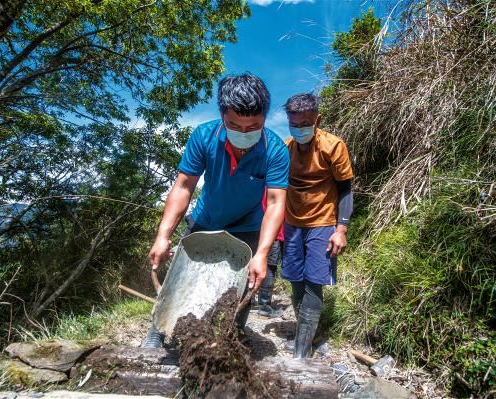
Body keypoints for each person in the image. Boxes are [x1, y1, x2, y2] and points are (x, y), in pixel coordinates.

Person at [143, 73, 290, 348]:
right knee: (181, 278)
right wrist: (163, 236)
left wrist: (262, 253)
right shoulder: (204, 136)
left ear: (265, 119)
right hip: (205, 220)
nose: (244, 133)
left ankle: (226, 340)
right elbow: (184, 187)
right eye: (235, 125)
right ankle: (158, 333)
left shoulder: (276, 150)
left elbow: (275, 203)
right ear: (223, 115)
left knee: (242, 289)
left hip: (247, 228)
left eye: (253, 126)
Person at [281, 93, 354, 358]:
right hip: (292, 223)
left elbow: (345, 189)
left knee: (314, 282)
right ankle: (309, 333)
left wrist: (341, 229)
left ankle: (302, 350)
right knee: (295, 281)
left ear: (317, 120)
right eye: (294, 124)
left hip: (323, 222)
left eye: (305, 123)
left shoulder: (333, 146)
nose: (299, 129)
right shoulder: (285, 148)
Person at [257, 190, 285, 318]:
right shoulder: (277, 184)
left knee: (263, 265)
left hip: (263, 230)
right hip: (274, 232)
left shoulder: (264, 182)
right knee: (270, 267)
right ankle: (264, 307)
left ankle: (255, 301)